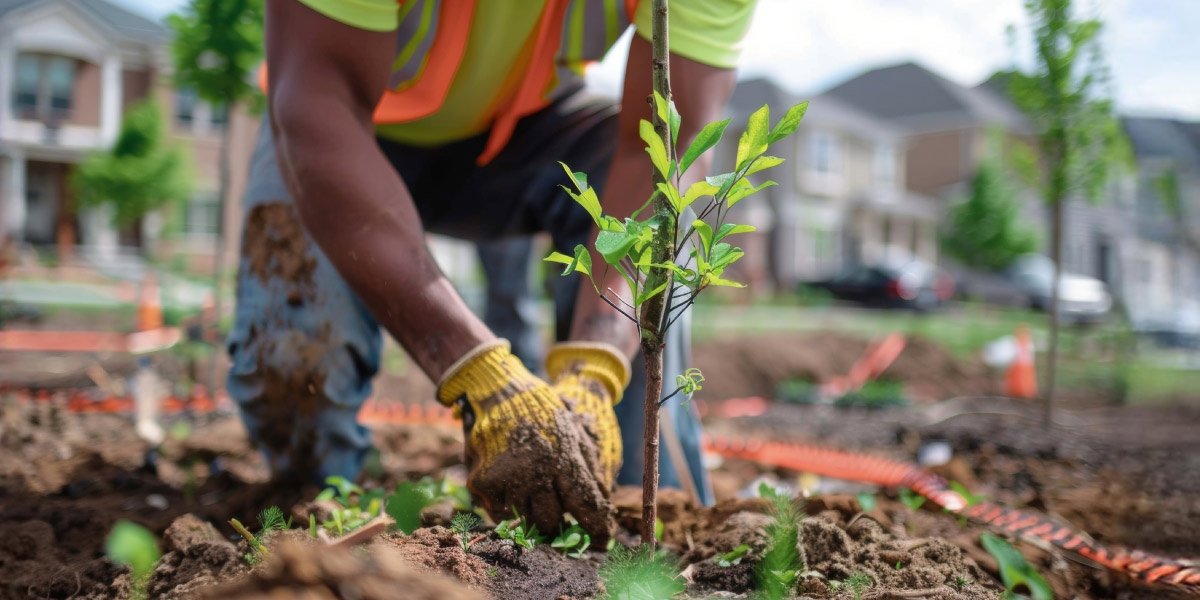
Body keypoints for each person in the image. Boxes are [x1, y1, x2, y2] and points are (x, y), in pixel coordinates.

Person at [230, 0, 756, 539]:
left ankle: (631, 516)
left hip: (525, 132)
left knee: (665, 199)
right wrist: (475, 368)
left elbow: (667, 146)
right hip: (337, 127)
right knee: (292, 355)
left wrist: (597, 368)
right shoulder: (327, 112)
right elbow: (318, 103)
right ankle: (316, 512)